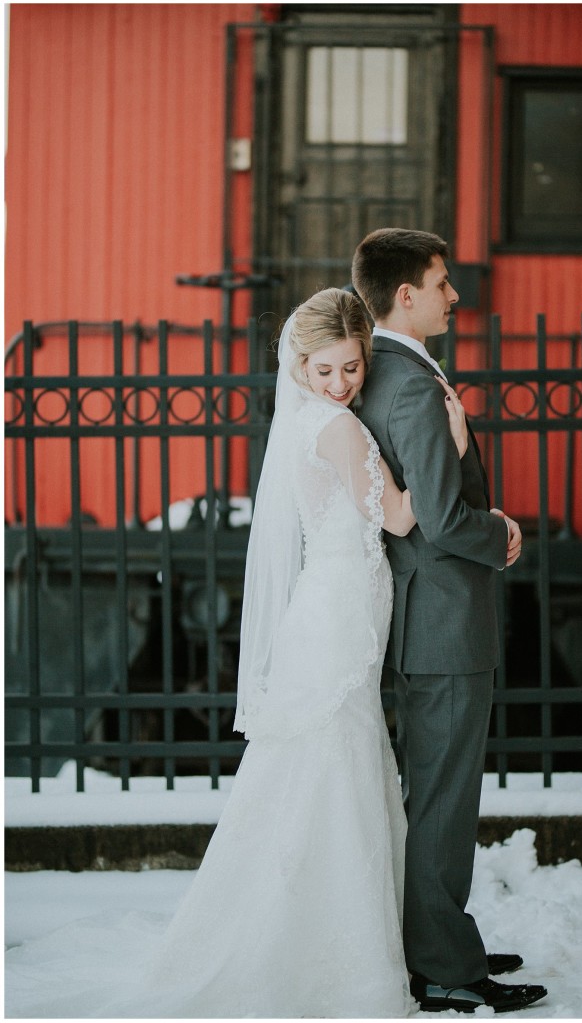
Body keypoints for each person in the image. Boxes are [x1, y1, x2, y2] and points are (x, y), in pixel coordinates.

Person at [4, 287, 466, 1020]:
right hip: (342, 616)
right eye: (326, 370)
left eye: (351, 368)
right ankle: (327, 950)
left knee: (321, 774)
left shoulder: (310, 422)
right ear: (299, 363)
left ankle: (303, 929)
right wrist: (455, 440)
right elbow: (406, 515)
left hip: (331, 606)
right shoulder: (339, 430)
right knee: (336, 773)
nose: (342, 383)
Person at [352, 227, 548, 1014]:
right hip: (442, 620)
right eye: (442, 283)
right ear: (407, 295)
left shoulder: (393, 373)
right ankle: (442, 968)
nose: (454, 296)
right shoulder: (407, 384)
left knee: (432, 792)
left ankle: (441, 939)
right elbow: (437, 517)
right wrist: (499, 532)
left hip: (427, 618)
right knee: (442, 799)